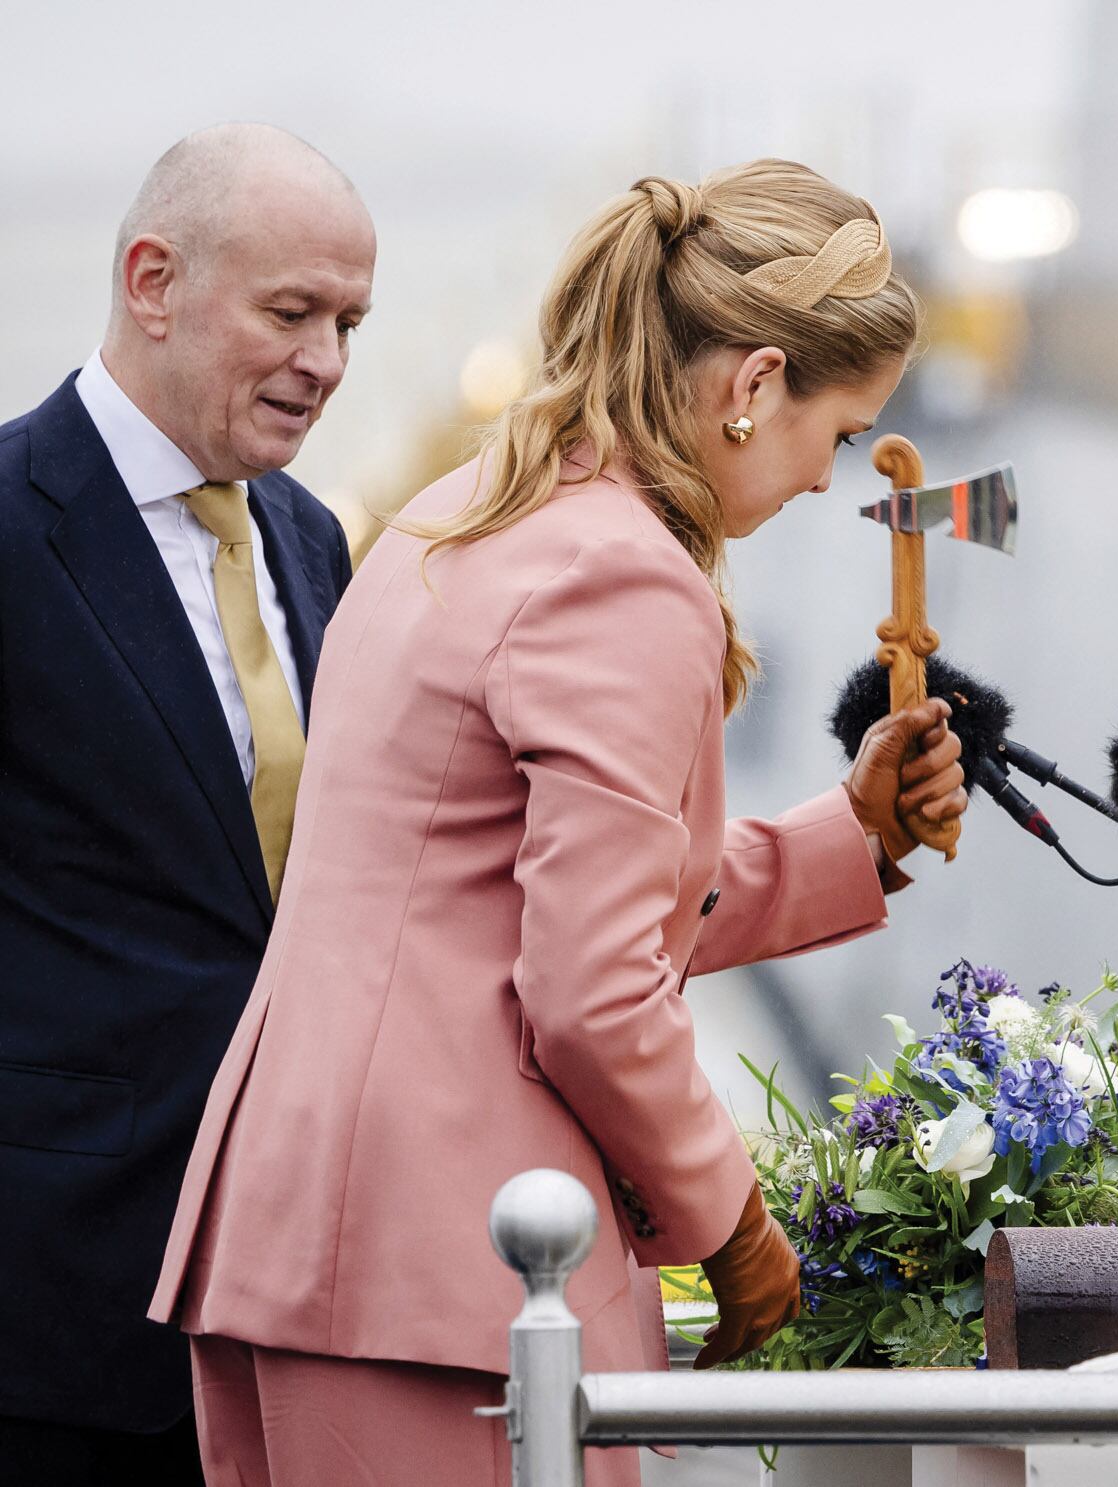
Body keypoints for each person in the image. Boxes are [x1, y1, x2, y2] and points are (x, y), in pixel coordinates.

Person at [149, 159, 966, 1486]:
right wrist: (735, 1228)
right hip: (455, 1281)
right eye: (839, 432)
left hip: (305, 1240)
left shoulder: (466, 515)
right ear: (755, 389)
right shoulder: (626, 581)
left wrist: (850, 840)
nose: (829, 482)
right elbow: (590, 987)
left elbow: (503, 898)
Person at [0, 124, 373, 1483]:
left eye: (347, 321)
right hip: (52, 1313)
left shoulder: (310, 536)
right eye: (292, 312)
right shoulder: (4, 521)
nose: (327, 361)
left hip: (284, 1302)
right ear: (152, 281)